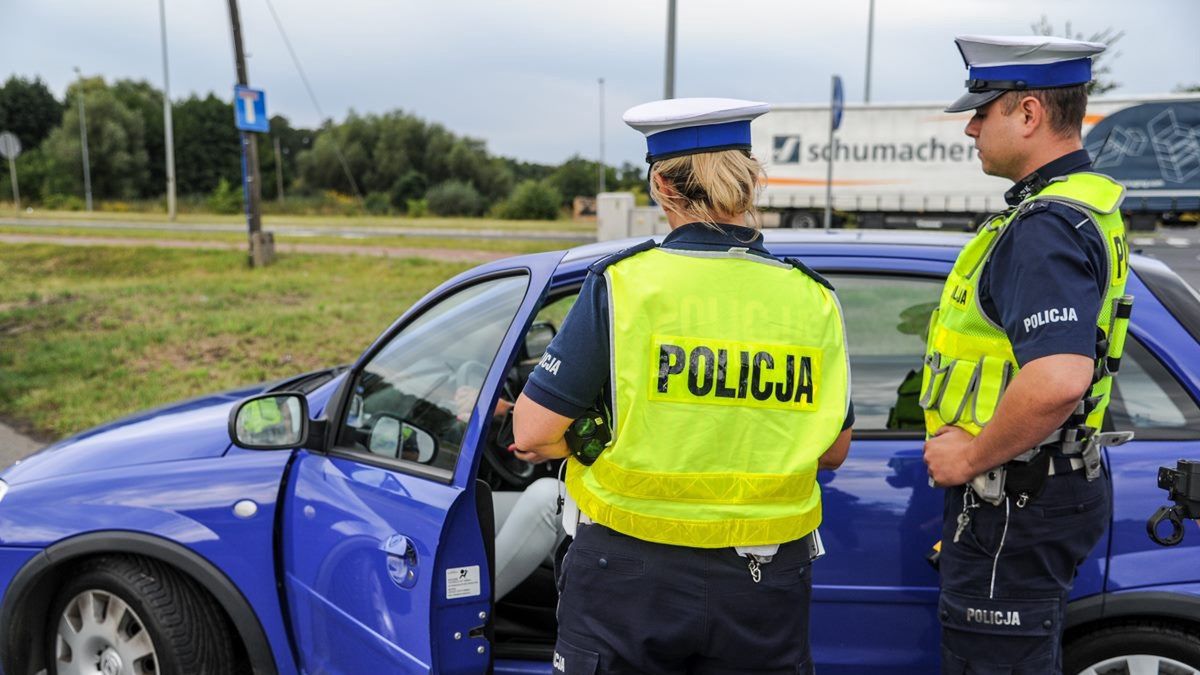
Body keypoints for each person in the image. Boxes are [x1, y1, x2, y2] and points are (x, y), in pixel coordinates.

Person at [512, 98, 854, 674]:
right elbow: (833, 449)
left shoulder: (624, 284)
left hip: (627, 577)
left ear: (663, 188)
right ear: (747, 183)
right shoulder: (813, 296)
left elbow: (533, 433)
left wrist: (595, 438)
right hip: (765, 581)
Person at [921, 35, 1133, 674]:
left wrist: (968, 459)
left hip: (1014, 495)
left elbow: (1058, 378)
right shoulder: (1083, 207)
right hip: (1045, 487)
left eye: (983, 112)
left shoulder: (1044, 227)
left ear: (1031, 114)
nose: (970, 128)